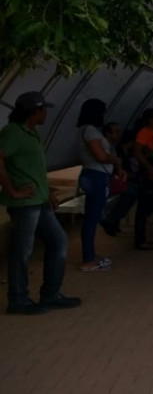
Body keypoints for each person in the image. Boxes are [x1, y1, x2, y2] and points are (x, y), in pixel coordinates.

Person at [0, 91, 81, 315]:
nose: (46, 113)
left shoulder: (31, 133)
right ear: (34, 111)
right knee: (22, 251)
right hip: (25, 204)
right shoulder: (13, 133)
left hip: (39, 201)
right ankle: (18, 300)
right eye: (44, 109)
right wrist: (13, 191)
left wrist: (47, 193)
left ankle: (51, 294)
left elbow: (33, 169)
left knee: (58, 241)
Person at [76, 98, 125, 272]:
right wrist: (115, 159)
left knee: (93, 217)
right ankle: (88, 260)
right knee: (92, 218)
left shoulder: (88, 130)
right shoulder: (89, 131)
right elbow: (101, 156)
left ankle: (90, 254)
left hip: (95, 175)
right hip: (95, 176)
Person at [132, 109, 153, 251]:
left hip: (152, 170)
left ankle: (142, 238)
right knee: (143, 207)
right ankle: (139, 240)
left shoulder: (151, 132)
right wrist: (149, 168)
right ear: (151, 119)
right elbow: (137, 151)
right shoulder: (144, 132)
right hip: (147, 172)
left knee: (147, 206)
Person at [101, 126, 138, 236]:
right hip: (113, 180)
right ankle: (111, 220)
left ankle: (113, 221)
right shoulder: (116, 150)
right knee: (132, 192)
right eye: (116, 132)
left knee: (133, 191)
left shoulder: (118, 149)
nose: (118, 135)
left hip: (117, 179)